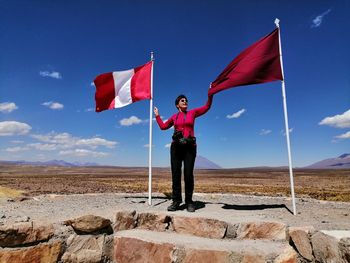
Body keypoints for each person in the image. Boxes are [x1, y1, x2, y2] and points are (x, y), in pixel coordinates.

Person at [154, 93, 213, 212]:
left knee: (188, 174)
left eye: (186, 100)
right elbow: (163, 127)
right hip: (176, 147)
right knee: (176, 175)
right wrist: (157, 116)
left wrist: (210, 95)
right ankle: (176, 201)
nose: (185, 101)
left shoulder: (193, 113)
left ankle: (189, 202)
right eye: (182, 100)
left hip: (190, 147)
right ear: (177, 105)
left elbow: (207, 107)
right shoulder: (174, 117)